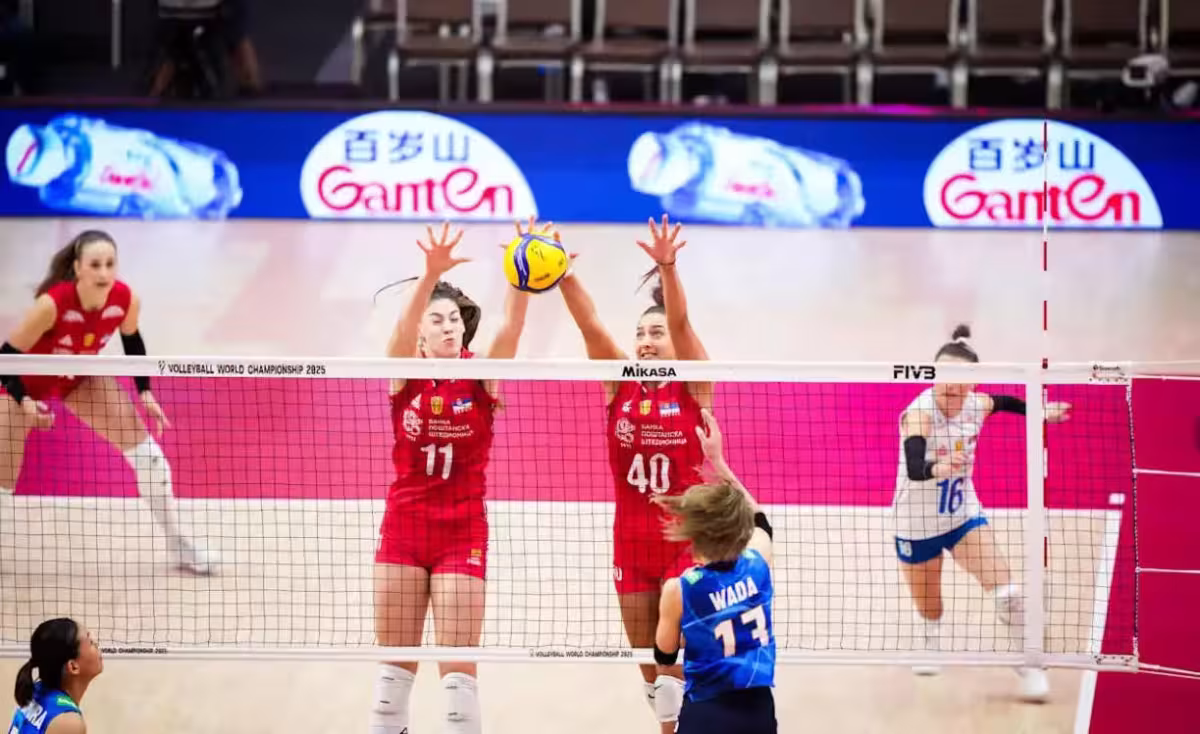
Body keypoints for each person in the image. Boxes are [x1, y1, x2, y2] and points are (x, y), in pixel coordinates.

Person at [370, 220, 535, 734]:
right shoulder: (404, 373)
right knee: (389, 688)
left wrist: (522, 274)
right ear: (420, 331)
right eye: (436, 319)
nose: (449, 327)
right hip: (403, 529)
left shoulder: (482, 375)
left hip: (462, 533)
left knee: (459, 688)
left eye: (454, 319)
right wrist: (429, 276)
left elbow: (511, 328)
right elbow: (399, 336)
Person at [556, 214, 709, 732]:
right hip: (630, 544)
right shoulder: (619, 386)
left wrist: (668, 267)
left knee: (678, 666)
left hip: (684, 542)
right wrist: (562, 274)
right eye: (640, 334)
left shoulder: (694, 385)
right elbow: (591, 326)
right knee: (650, 672)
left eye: (656, 333)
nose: (646, 341)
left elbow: (683, 325)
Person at [0, 230, 214, 575]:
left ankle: (179, 544)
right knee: (3, 478)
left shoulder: (125, 299)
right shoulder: (51, 305)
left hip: (78, 377)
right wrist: (23, 400)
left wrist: (144, 392)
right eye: (95, 265)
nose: (103, 273)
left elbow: (133, 340)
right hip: (26, 380)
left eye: (110, 264)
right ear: (77, 268)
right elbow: (6, 357)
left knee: (150, 457)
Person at [894, 325, 1071, 701]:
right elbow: (914, 466)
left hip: (962, 515)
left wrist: (1042, 412)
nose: (949, 385)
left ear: (973, 382)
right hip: (916, 523)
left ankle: (1030, 664)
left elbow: (1004, 402)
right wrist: (938, 468)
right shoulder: (920, 413)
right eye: (942, 375)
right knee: (930, 608)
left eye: (959, 378)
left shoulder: (977, 404)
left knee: (1008, 593)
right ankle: (930, 641)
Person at [653, 408, 777, 734]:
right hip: (758, 713)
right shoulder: (758, 565)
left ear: (695, 536)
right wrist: (718, 461)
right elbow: (760, 520)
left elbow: (665, 656)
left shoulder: (679, 589)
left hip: (706, 713)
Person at [9, 618, 103, 734]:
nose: (97, 644)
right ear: (73, 667)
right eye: (90, 642)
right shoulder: (69, 722)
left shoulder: (36, 689)